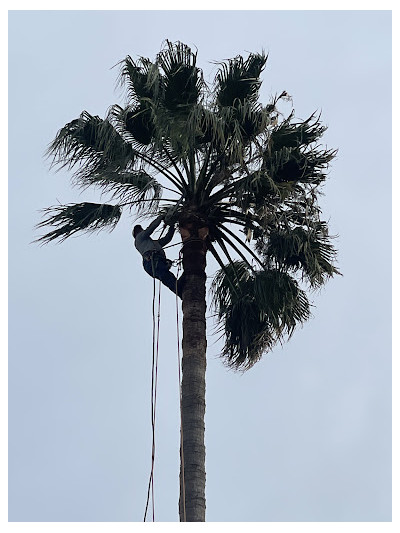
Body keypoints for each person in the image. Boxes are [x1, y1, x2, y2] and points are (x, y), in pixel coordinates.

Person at [133, 214, 183, 298]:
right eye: (141, 229)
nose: (142, 230)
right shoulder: (139, 238)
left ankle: (181, 292)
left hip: (155, 262)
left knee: (168, 277)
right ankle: (181, 292)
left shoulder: (154, 244)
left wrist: (172, 226)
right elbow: (150, 229)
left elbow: (167, 239)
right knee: (166, 276)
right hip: (152, 261)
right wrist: (160, 218)